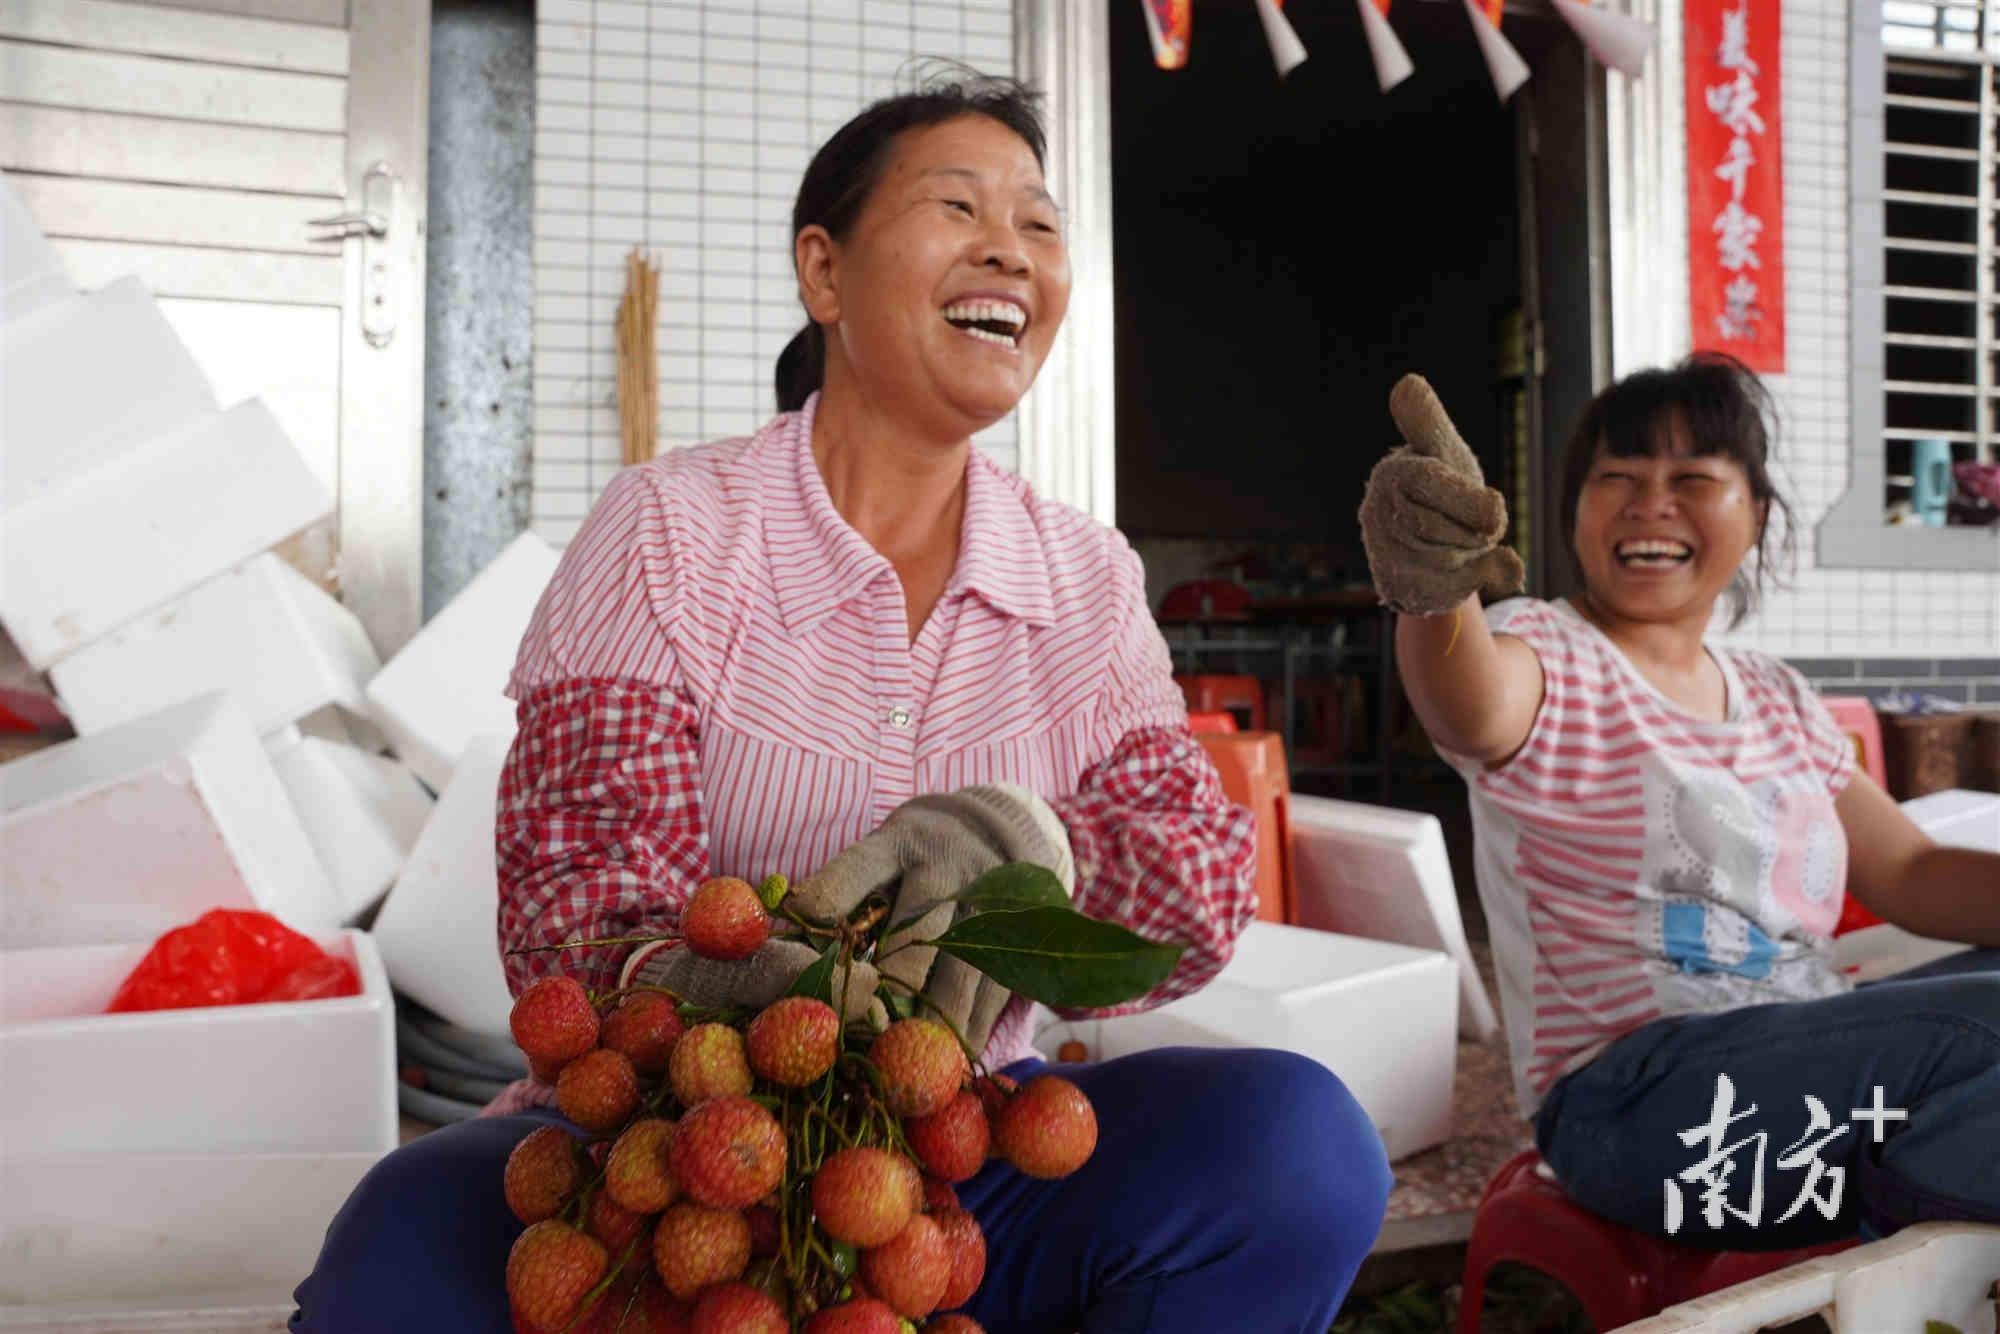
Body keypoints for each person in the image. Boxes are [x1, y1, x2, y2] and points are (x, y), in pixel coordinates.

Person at [292, 71, 1389, 1332]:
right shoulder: (668, 530)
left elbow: (1193, 896)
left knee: (1293, 1145)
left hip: (960, 1170)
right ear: (823, 271)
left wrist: (1040, 860)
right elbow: (576, 929)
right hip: (662, 1167)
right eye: (957, 205)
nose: (1009, 249)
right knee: (400, 1250)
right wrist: (790, 990)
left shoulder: (1084, 576)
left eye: (1038, 223)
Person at [1359, 354, 2000, 1251]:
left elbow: (1910, 869)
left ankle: (1920, 1236)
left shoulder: (1777, 693)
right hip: (1639, 1106)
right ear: (1576, 511)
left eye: (1693, 478)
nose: (1648, 502)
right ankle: (1915, 1244)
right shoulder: (1543, 646)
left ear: (1758, 516)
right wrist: (1435, 588)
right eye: (1615, 478)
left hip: (1810, 1056)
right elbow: (1471, 708)